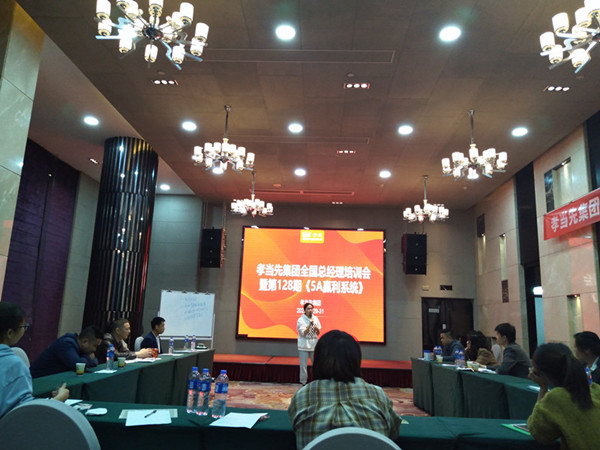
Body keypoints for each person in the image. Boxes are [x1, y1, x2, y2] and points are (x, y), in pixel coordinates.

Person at [288, 330, 401, 450]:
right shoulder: (377, 395)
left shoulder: (302, 397)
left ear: (318, 360)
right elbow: (393, 433)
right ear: (356, 360)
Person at [0, 303, 68, 419]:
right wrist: (58, 399)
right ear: (10, 333)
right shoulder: (14, 365)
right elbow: (26, 414)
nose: (24, 330)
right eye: (23, 326)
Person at [527, 343, 600, 448]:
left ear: (539, 372)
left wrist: (543, 388)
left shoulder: (556, 398)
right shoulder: (596, 390)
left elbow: (537, 432)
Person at [30, 326, 103, 378]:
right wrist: (88, 358)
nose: (95, 350)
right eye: (94, 346)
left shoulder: (80, 349)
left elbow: (95, 362)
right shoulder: (65, 344)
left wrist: (87, 359)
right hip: (37, 381)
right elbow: (77, 366)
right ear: (85, 341)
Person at [297, 303, 321, 385]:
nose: (310, 310)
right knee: (303, 366)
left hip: (313, 345)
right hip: (303, 346)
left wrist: (316, 329)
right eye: (308, 309)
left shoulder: (316, 318)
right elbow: (303, 333)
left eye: (311, 308)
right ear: (304, 310)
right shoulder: (300, 320)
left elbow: (318, 333)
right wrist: (310, 325)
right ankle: (303, 382)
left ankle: (316, 381)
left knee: (316, 365)